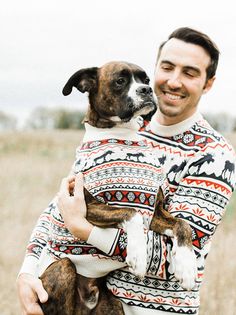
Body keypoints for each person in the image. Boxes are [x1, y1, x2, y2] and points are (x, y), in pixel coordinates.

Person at [17, 27, 236, 315]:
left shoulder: (214, 155)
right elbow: (59, 207)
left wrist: (85, 230)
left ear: (208, 83)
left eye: (190, 72)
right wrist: (28, 270)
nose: (174, 80)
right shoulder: (119, 131)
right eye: (167, 67)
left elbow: (179, 261)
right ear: (156, 68)